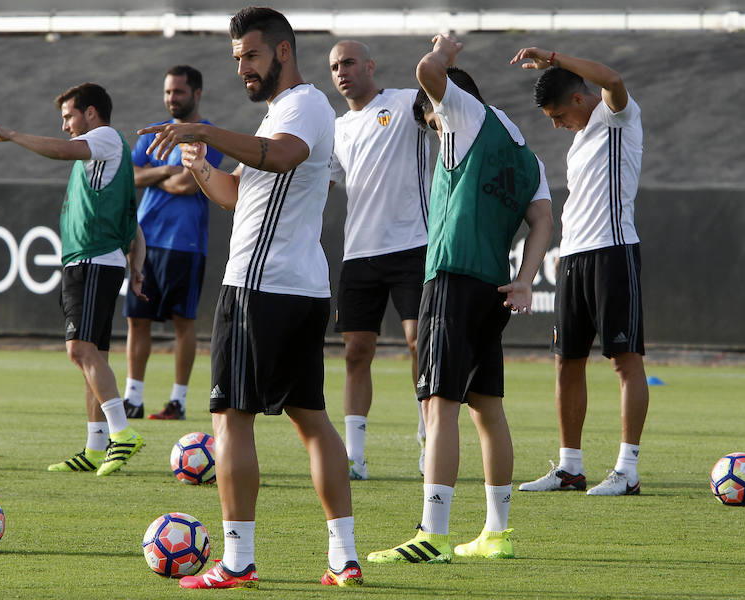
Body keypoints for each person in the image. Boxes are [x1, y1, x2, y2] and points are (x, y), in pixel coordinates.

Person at [137, 6, 362, 589]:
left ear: (284, 51)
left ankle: (237, 560)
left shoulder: (304, 105)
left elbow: (285, 155)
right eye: (237, 58)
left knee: (230, 418)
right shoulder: (276, 115)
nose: (243, 67)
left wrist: (207, 131)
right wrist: (202, 164)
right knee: (310, 419)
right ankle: (344, 558)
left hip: (261, 287)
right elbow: (240, 195)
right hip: (295, 286)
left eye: (252, 55)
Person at [367, 34, 553, 564]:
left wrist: (445, 50)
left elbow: (428, 70)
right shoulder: (527, 154)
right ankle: (497, 533)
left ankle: (433, 532)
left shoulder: (465, 114)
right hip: (495, 287)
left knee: (437, 403)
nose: (431, 128)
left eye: (430, 118)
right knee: (488, 409)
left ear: (445, 102)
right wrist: (525, 278)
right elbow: (542, 220)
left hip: (450, 279)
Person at [0, 83, 146, 476]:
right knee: (93, 356)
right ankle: (94, 446)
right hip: (96, 261)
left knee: (79, 350)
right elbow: (132, 223)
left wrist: (12, 134)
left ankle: (122, 433)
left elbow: (63, 150)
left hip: (92, 261)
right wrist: (137, 263)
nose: (66, 126)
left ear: (90, 113)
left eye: (69, 116)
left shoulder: (102, 137)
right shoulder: (108, 156)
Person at [510, 47, 648, 497]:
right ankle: (570, 467)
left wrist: (555, 58)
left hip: (613, 252)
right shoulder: (579, 141)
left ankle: (627, 471)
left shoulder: (616, 118)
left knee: (624, 362)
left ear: (577, 98)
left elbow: (612, 78)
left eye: (556, 114)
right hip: (573, 257)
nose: (555, 125)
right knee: (566, 362)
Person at [327, 40, 432, 480]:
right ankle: (354, 457)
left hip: (413, 244)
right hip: (359, 253)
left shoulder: (406, 103)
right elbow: (323, 185)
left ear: (370, 65)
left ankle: (431, 438)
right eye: (334, 67)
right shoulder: (334, 128)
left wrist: (441, 56)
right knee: (356, 352)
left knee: (418, 343)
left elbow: (443, 108)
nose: (341, 72)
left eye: (348, 62)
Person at [123, 65, 224, 421]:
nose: (171, 98)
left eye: (178, 92)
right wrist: (166, 171)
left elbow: (188, 185)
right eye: (168, 92)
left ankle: (177, 401)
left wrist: (157, 176)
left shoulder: (207, 135)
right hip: (146, 240)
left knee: (183, 321)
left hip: (185, 243)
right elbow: (130, 176)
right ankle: (132, 398)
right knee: (138, 320)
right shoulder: (152, 134)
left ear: (196, 93)